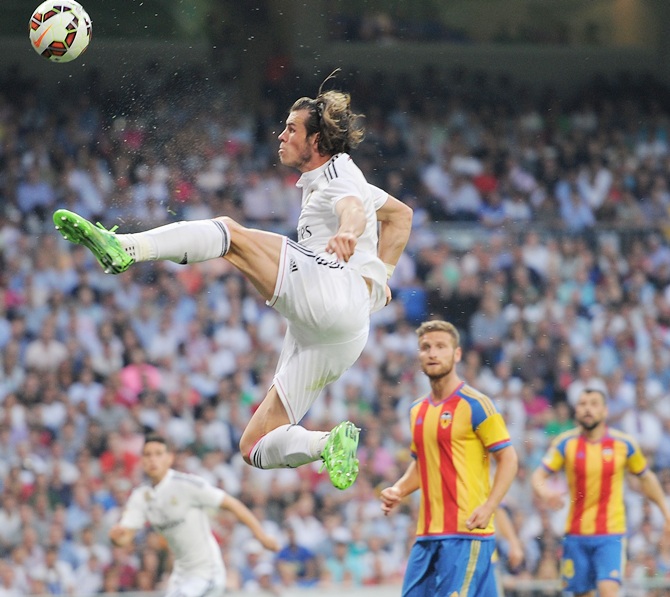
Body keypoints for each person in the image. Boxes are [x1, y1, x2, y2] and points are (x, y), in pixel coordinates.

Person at [53, 76, 413, 491]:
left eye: (291, 129)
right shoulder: (341, 179)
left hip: (332, 291)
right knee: (254, 445)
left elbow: (352, 207)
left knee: (228, 233)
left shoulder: (339, 172)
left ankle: (124, 248)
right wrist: (381, 277)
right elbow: (400, 215)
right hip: (342, 334)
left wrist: (350, 232)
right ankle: (327, 443)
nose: (281, 135)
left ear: (316, 141)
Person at [379, 320, 518, 596]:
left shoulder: (476, 404)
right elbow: (422, 464)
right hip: (427, 535)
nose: (432, 353)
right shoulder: (416, 410)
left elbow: (508, 459)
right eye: (425, 347)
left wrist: (490, 506)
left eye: (441, 347)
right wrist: (399, 488)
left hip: (466, 533)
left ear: (457, 354)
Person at [531, 388, 670, 597]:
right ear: (576, 411)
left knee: (608, 590)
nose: (588, 408)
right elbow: (538, 476)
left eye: (594, 404)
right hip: (576, 534)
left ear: (605, 411)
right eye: (583, 404)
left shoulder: (623, 444)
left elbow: (646, 478)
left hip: (610, 534)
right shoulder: (565, 443)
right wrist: (546, 494)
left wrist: (665, 511)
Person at [109, 434, 279, 597]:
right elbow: (125, 536)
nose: (153, 459)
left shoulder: (186, 485)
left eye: (158, 454)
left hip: (208, 572)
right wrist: (117, 538)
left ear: (170, 458)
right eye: (147, 455)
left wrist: (261, 536)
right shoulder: (141, 497)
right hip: (181, 575)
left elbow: (231, 503)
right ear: (142, 461)